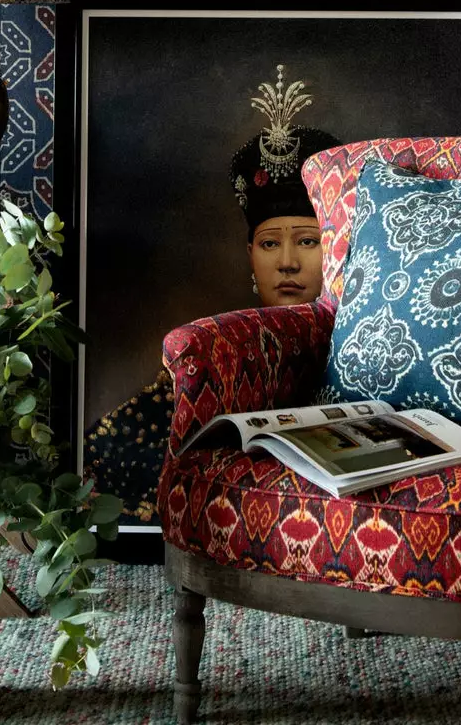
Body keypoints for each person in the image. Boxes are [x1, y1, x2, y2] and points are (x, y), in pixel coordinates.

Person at [83, 65, 340, 522]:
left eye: (307, 241)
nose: (287, 262)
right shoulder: (216, 362)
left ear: (336, 247)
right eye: (269, 244)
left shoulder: (369, 354)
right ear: (250, 255)